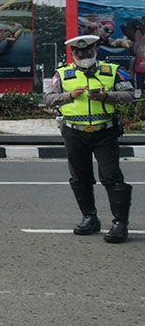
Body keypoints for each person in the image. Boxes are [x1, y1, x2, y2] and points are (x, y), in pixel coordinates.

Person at [44, 34, 133, 243]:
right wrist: (70, 96)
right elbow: (48, 98)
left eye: (88, 52)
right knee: (80, 177)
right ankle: (89, 218)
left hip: (105, 131)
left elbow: (130, 94)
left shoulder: (111, 71)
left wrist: (106, 97)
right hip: (74, 132)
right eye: (79, 53)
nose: (83, 56)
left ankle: (120, 223)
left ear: (95, 52)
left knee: (111, 176)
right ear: (73, 54)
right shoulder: (62, 74)